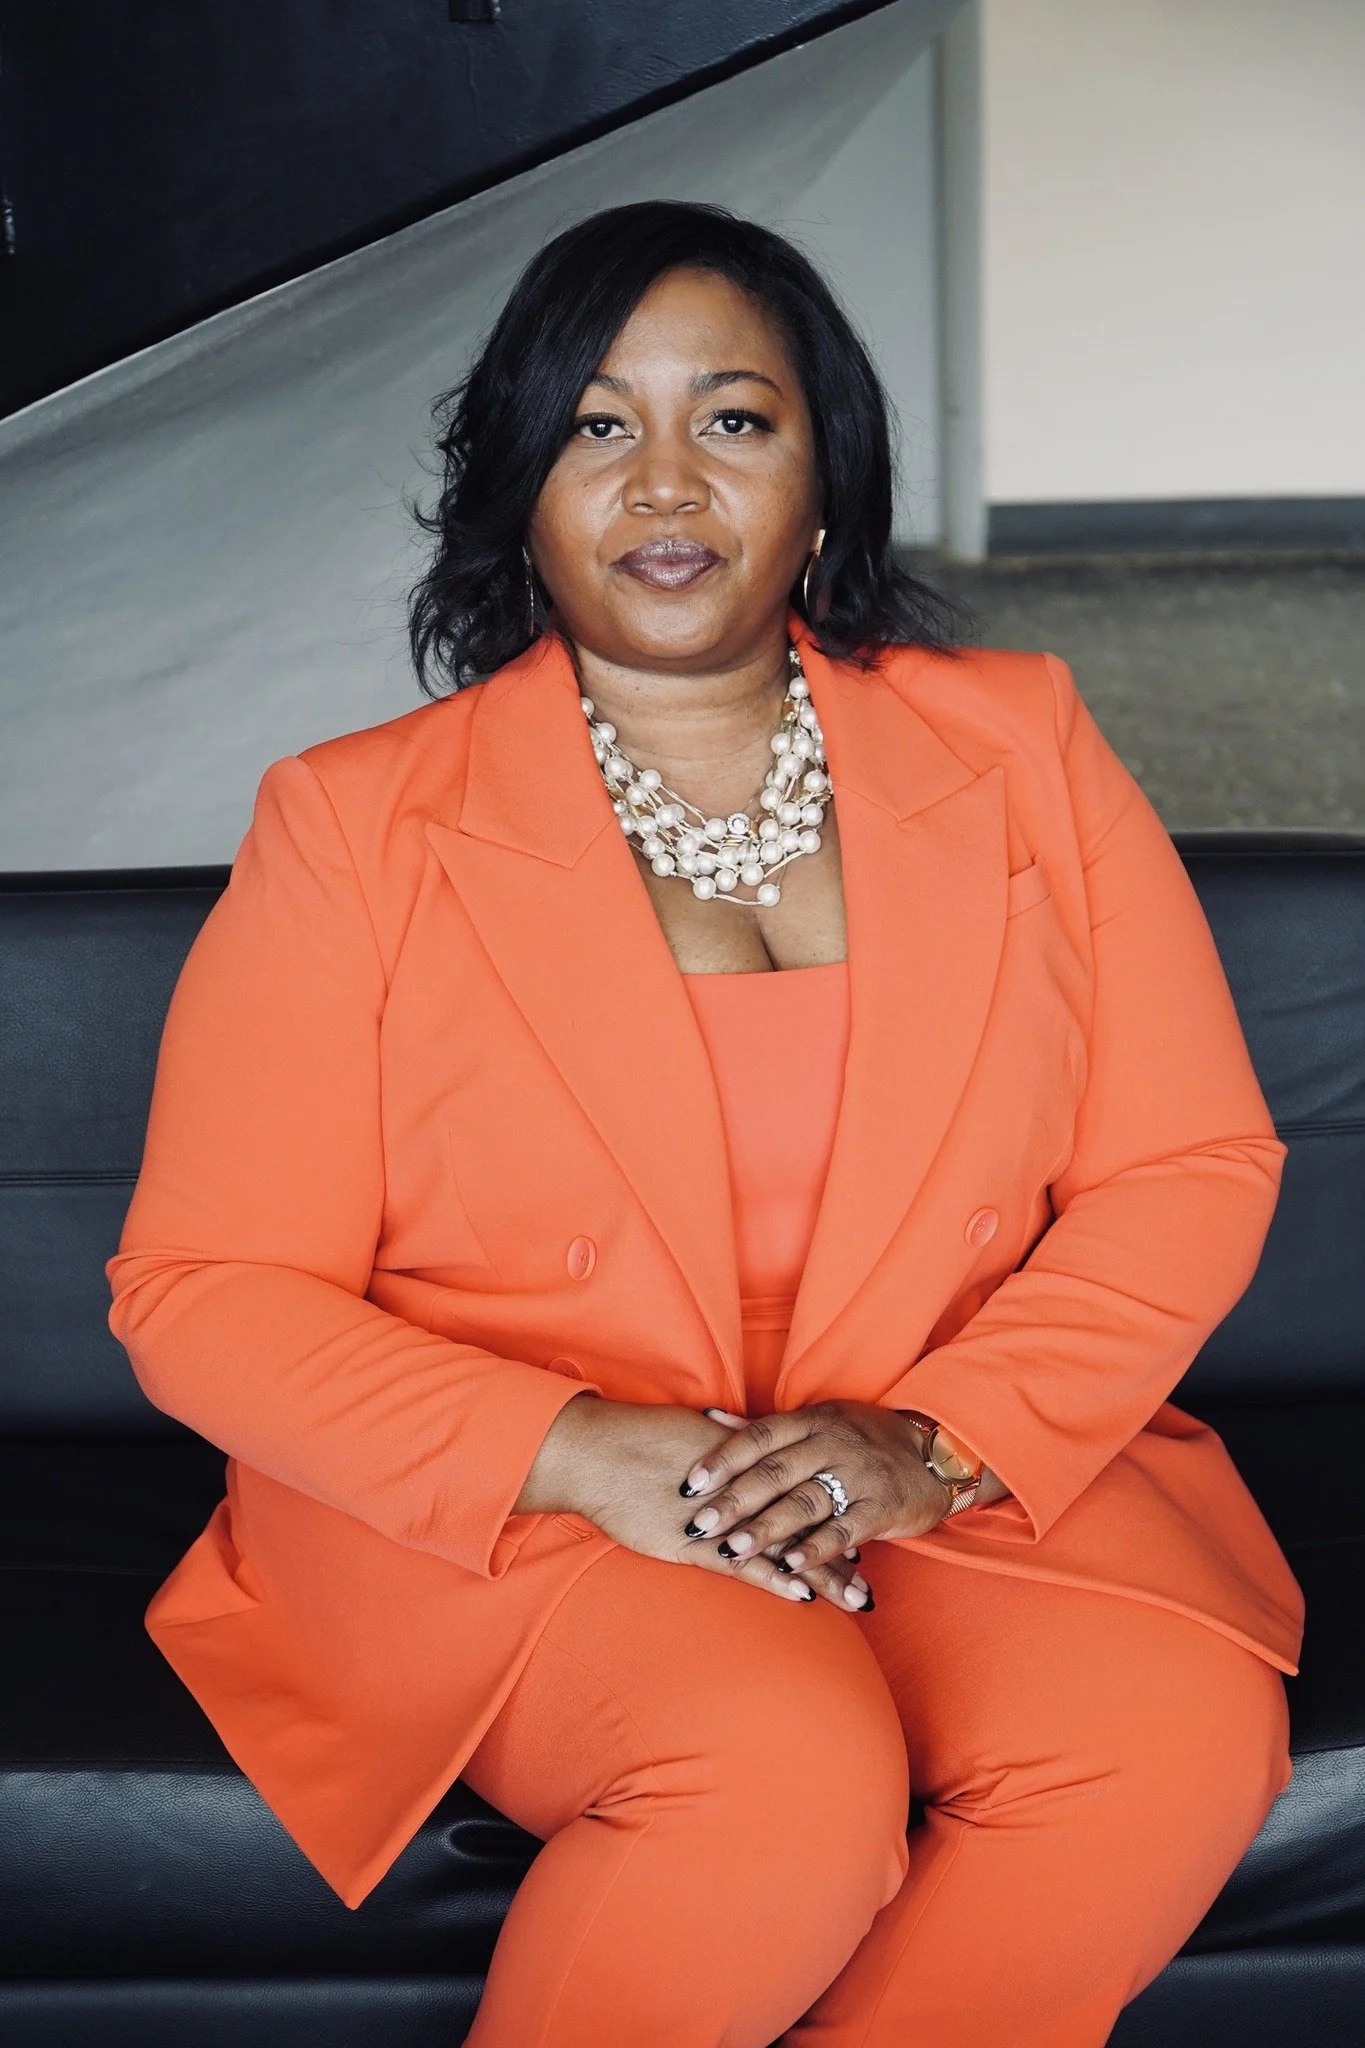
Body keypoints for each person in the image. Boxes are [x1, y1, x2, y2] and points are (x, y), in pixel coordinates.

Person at [107, 201, 1304, 2047]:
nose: (664, 480)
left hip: (926, 1454)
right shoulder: (353, 826)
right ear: (522, 488)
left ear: (825, 485)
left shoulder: (1024, 746)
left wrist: (942, 1442)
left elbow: (1187, 1165)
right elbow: (202, 1291)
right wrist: (576, 1450)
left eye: (733, 420)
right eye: (598, 425)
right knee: (776, 1773)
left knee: (1161, 1738)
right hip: (530, 1501)